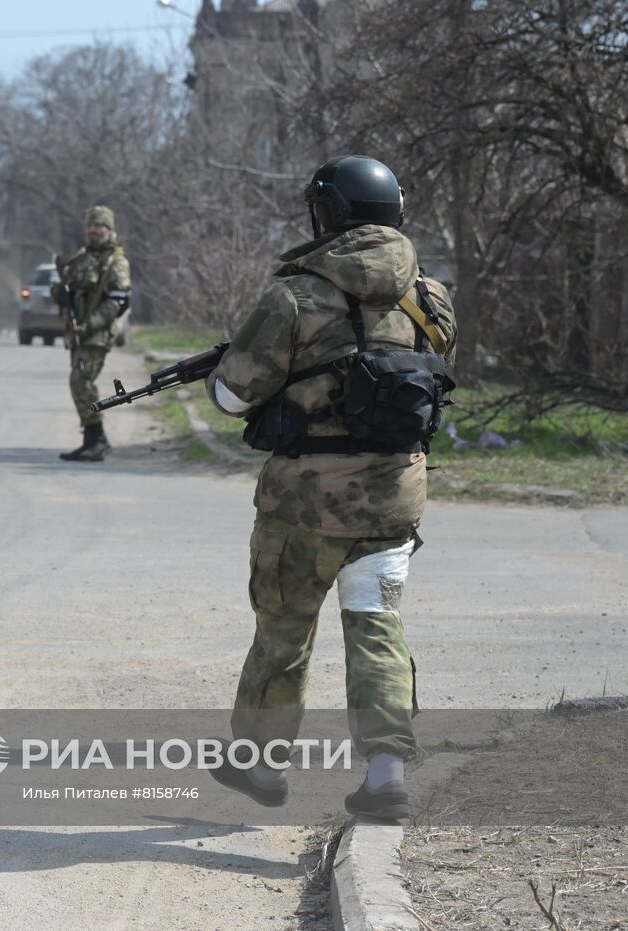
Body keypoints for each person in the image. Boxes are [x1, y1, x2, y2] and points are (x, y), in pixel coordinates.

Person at [203, 155, 457, 820]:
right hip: (393, 504)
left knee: (284, 632)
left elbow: (231, 396)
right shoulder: (430, 297)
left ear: (328, 216)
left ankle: (260, 764)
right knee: (378, 632)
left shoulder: (294, 297)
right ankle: (386, 775)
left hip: (302, 507)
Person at [51, 205, 131, 462]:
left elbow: (117, 303)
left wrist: (89, 324)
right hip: (78, 331)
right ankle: (93, 438)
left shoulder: (115, 261)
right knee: (79, 383)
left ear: (110, 229)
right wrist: (61, 288)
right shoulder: (83, 257)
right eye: (90, 226)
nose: (94, 231)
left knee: (81, 381)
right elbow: (68, 292)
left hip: (96, 333)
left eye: (99, 226)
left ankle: (97, 439)